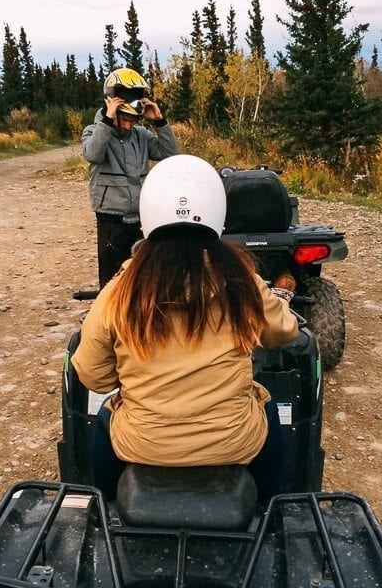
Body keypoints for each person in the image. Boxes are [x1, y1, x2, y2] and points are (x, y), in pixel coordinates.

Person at [71, 154, 300, 504]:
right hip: (234, 442)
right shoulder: (241, 279)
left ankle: (103, 509)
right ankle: (274, 508)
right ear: (217, 212)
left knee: (105, 418)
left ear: (148, 214)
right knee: (266, 409)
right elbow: (284, 332)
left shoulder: (121, 288)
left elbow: (94, 377)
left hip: (143, 444)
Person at [81, 67, 178, 289]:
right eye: (125, 118)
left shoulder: (141, 136)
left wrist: (160, 122)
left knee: (143, 276)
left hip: (141, 218)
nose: (130, 123)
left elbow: (170, 155)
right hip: (111, 219)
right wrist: (107, 121)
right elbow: (93, 154)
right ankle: (110, 319)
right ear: (113, 109)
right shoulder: (94, 132)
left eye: (134, 119)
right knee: (113, 280)